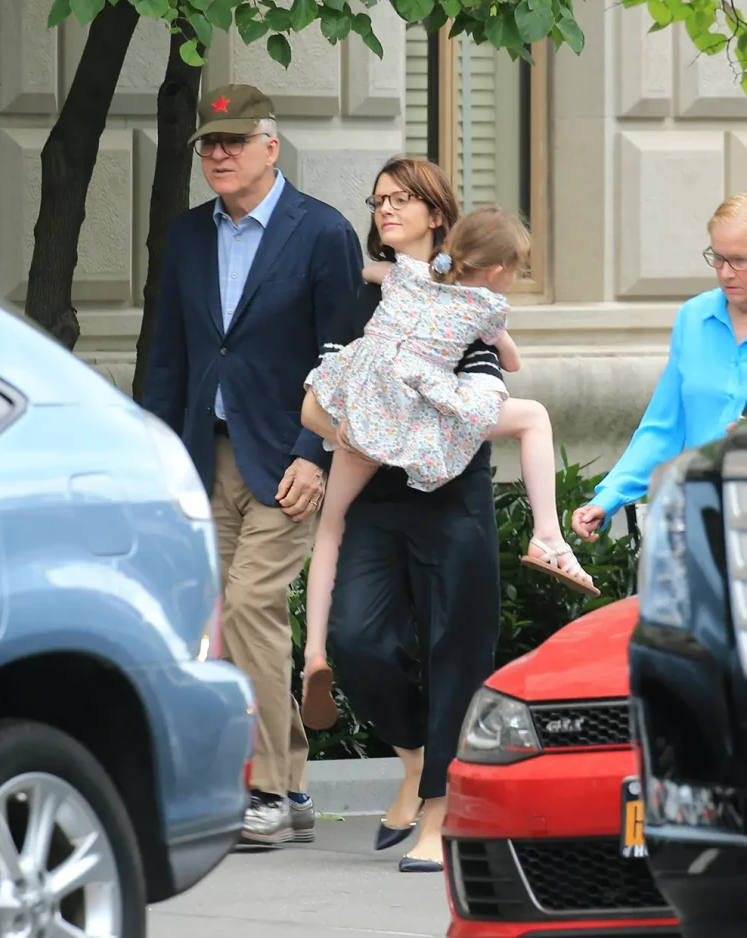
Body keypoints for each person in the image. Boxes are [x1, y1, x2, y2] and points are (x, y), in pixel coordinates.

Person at [141, 83, 363, 845]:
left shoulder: (324, 232)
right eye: (209, 143)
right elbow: (168, 354)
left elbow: (344, 360)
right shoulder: (188, 235)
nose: (218, 154)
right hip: (208, 455)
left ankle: (265, 792)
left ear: (272, 146)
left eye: (234, 141)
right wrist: (160, 459)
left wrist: (318, 453)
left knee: (249, 608)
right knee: (229, 623)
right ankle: (292, 787)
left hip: (287, 460)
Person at [300, 207, 599, 731]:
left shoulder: (407, 274)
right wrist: (496, 325)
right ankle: (549, 537)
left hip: (363, 401)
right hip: (411, 412)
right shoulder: (485, 304)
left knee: (332, 525)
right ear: (500, 270)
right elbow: (512, 363)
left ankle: (314, 653)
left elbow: (372, 272)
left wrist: (411, 273)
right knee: (534, 418)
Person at [299, 157, 501, 871]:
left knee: (457, 657)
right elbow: (319, 401)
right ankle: (414, 758)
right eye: (380, 200)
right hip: (377, 502)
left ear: (436, 214)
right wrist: (343, 428)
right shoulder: (362, 298)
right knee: (355, 641)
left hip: (453, 500)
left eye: (402, 199)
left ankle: (440, 820)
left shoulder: (464, 294)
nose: (387, 210)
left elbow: (486, 398)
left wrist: (400, 414)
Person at [572, 191, 747, 543]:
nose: (725, 273)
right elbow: (664, 428)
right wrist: (609, 497)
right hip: (705, 522)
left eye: (740, 260)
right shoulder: (694, 318)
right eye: (717, 258)